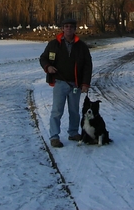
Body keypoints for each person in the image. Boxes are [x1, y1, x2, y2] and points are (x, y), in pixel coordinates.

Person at [39, 17, 93, 148]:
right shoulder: (53, 44)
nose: (69, 28)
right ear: (62, 29)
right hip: (60, 83)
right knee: (57, 111)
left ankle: (73, 133)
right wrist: (48, 67)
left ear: (75, 29)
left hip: (76, 84)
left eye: (71, 26)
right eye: (66, 26)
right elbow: (43, 58)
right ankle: (54, 137)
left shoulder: (81, 46)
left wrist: (85, 83)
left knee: (74, 111)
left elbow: (87, 65)